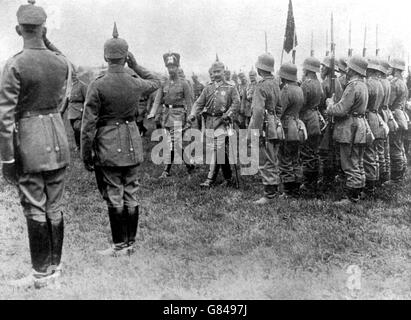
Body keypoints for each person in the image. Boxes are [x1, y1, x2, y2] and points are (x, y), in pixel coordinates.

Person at [0, 0, 71, 288]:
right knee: (54, 205)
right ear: (43, 29)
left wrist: (6, 159)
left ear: (19, 29)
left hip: (29, 144)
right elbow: (64, 100)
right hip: (57, 139)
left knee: (33, 206)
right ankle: (55, 269)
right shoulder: (60, 62)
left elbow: (4, 118)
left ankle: (41, 275)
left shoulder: (15, 64)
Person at [81, 23, 160, 256]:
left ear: (106, 57)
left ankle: (118, 245)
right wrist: (136, 66)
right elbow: (155, 82)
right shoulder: (135, 81)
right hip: (132, 143)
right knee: (131, 192)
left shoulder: (98, 84)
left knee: (114, 193)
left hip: (108, 145)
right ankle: (130, 245)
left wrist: (86, 154)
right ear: (126, 57)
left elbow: (88, 126)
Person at [188, 57, 240, 188]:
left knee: (218, 150)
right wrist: (193, 113)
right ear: (211, 73)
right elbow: (199, 103)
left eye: (219, 71)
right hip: (210, 123)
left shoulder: (230, 87)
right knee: (219, 151)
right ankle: (228, 178)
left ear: (224, 71)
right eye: (214, 72)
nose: (216, 74)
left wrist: (228, 115)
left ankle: (209, 179)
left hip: (223, 123)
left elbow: (236, 103)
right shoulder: (208, 88)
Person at [325, 56, 369, 204]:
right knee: (358, 161)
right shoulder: (362, 85)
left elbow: (342, 109)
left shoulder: (353, 86)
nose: (346, 70)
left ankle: (352, 197)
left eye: (349, 67)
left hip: (350, 128)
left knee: (349, 162)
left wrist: (330, 105)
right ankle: (359, 191)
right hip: (360, 126)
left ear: (354, 69)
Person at [148, 53, 194, 178]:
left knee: (174, 143)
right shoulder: (164, 83)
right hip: (166, 115)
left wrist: (190, 118)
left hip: (179, 115)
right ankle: (189, 164)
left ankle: (167, 170)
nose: (171, 69)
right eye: (169, 67)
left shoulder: (184, 84)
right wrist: (152, 113)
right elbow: (158, 99)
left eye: (173, 67)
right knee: (171, 143)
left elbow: (189, 103)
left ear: (178, 67)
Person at [248, 53, 282, 204]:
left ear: (259, 68)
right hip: (274, 123)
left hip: (264, 126)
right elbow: (280, 107)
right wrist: (275, 120)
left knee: (265, 159)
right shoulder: (275, 83)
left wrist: (256, 131)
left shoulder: (261, 86)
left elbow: (258, 111)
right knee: (273, 157)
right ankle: (273, 190)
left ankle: (269, 195)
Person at [278, 62, 305, 197]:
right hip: (297, 125)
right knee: (295, 159)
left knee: (285, 158)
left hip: (287, 126)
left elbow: (280, 110)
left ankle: (288, 191)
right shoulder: (299, 88)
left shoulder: (286, 89)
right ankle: (296, 188)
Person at [318, 56, 344, 191]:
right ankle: (333, 177)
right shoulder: (337, 83)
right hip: (334, 119)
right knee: (333, 151)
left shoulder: (326, 83)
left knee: (326, 151)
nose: (321, 69)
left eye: (323, 67)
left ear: (327, 69)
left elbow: (321, 103)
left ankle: (327, 180)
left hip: (328, 119)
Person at [299, 57, 324, 197]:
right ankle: (313, 182)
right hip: (315, 119)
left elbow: (301, 103)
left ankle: (308, 185)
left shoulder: (306, 85)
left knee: (307, 152)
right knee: (313, 152)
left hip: (307, 119)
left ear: (307, 69)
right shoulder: (318, 83)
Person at [363, 58, 385, 197]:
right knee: (374, 153)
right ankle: (374, 183)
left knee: (368, 154)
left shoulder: (369, 84)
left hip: (369, 118)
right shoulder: (380, 84)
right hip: (377, 118)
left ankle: (369, 189)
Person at [388, 58, 408, 183]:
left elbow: (389, 102)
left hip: (395, 115)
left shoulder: (395, 83)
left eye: (390, 67)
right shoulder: (402, 82)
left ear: (395, 69)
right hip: (401, 115)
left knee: (395, 146)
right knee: (400, 145)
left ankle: (396, 177)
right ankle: (402, 171)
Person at [378, 59, 394, 184]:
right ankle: (385, 174)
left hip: (379, 114)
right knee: (385, 147)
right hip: (386, 113)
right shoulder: (387, 82)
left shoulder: (380, 82)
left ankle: (381, 176)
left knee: (379, 147)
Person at [66, 70, 88, 149]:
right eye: (71, 75)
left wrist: (84, 110)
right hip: (71, 111)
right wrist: (61, 111)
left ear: (77, 75)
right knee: (75, 130)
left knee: (78, 128)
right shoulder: (69, 86)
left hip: (79, 110)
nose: (73, 76)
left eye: (74, 74)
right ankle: (78, 145)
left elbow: (87, 99)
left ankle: (82, 145)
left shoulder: (82, 85)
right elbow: (67, 100)